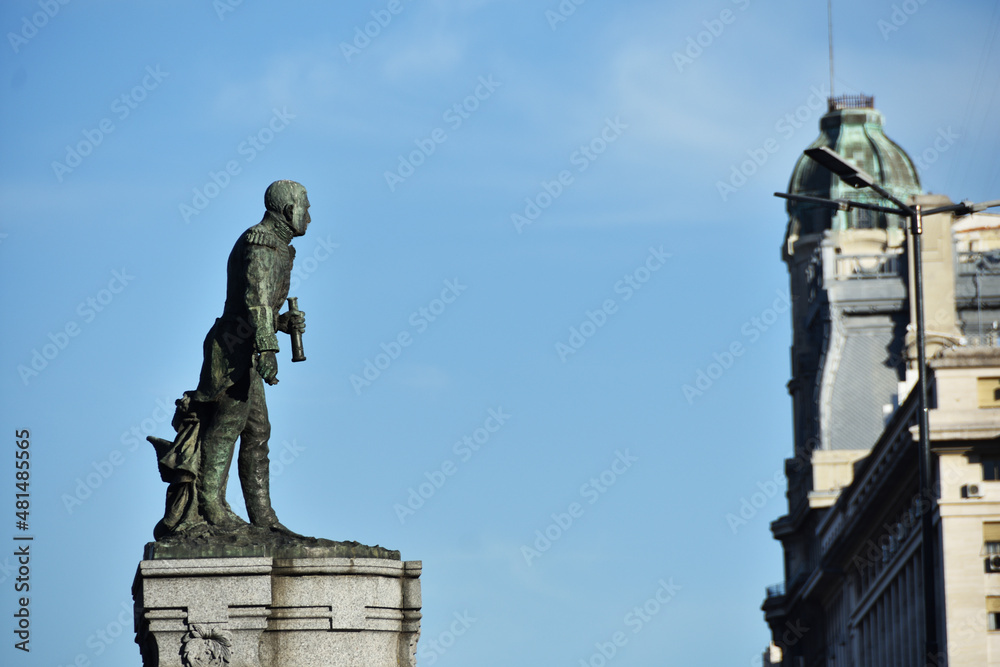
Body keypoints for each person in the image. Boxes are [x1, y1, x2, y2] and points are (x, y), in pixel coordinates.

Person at [191, 179, 310, 531]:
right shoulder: (260, 242)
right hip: (232, 351)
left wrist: (282, 323)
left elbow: (261, 308)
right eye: (307, 209)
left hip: (247, 347)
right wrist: (268, 346)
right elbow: (255, 299)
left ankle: (264, 519)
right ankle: (211, 506)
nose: (310, 218)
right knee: (229, 423)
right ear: (290, 211)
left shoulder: (280, 247)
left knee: (258, 431)